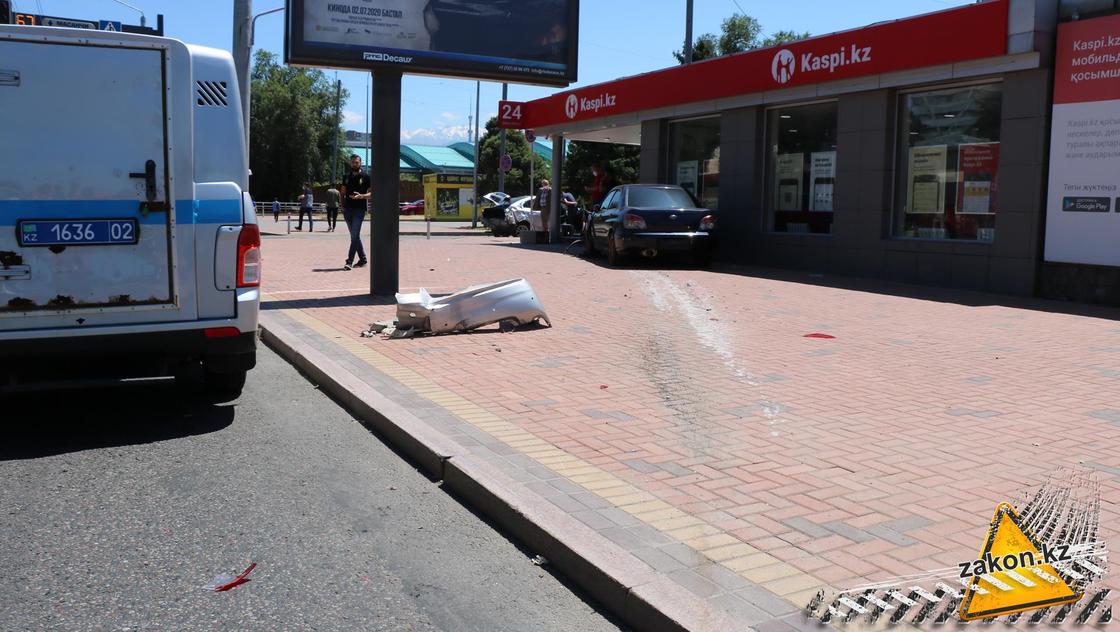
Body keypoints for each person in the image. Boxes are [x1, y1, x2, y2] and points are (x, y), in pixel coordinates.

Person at [340, 155, 370, 270]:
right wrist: (342, 206)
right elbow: (342, 192)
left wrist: (362, 196)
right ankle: (363, 259)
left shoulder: (366, 177)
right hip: (347, 210)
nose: (354, 164)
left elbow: (372, 193)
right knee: (355, 236)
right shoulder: (346, 177)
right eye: (353, 162)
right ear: (350, 163)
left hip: (359, 210)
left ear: (360, 163)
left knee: (354, 236)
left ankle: (349, 261)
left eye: (356, 162)